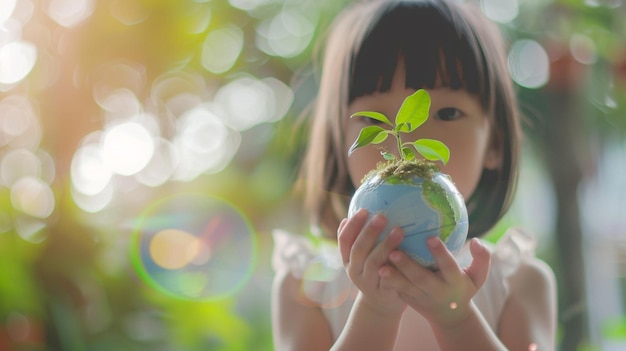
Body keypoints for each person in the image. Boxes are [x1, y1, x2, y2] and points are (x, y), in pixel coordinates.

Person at [271, 0, 558, 350]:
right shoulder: (305, 285)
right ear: (340, 144)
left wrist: (456, 318)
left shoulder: (520, 282)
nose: (406, 143)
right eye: (375, 122)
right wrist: (376, 311)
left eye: (447, 112)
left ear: (495, 144)